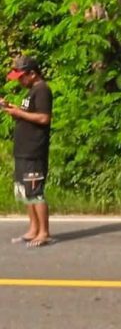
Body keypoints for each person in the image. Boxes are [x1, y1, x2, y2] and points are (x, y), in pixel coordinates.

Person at [2, 56, 53, 248]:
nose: (20, 81)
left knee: (35, 192)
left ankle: (44, 232)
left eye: (22, 77)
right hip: (23, 150)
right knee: (24, 192)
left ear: (32, 73)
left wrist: (19, 113)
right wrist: (11, 108)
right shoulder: (31, 91)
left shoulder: (42, 90)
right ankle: (33, 228)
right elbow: (28, 114)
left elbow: (43, 118)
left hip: (34, 150)